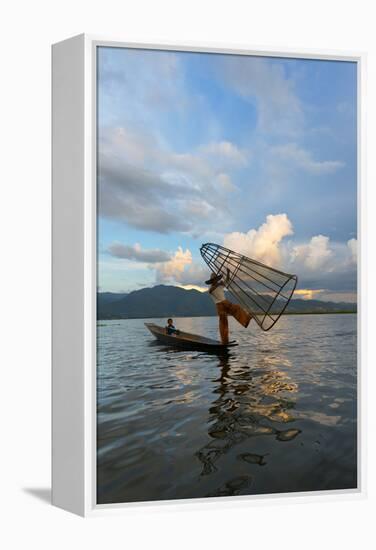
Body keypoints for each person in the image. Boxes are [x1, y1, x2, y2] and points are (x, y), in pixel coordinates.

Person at [206, 268, 252, 344]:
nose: (215, 281)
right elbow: (211, 290)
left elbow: (227, 281)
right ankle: (224, 341)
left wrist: (228, 273)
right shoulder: (211, 288)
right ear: (212, 281)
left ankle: (246, 320)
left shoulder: (219, 285)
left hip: (225, 302)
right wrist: (218, 284)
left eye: (216, 279)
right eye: (214, 280)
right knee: (224, 323)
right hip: (220, 306)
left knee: (237, 308)